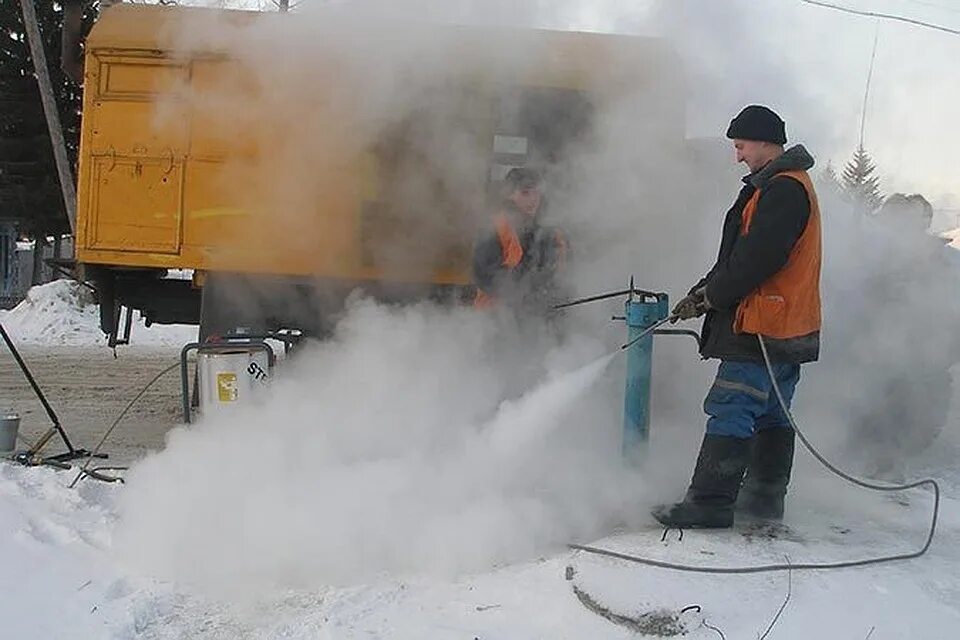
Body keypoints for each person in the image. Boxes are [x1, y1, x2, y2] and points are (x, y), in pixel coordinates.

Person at [653, 105, 822, 529]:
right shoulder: (784, 185)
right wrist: (703, 291)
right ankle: (764, 501)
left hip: (761, 324)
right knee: (772, 412)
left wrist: (714, 295)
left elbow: (755, 260)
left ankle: (710, 502)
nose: (738, 155)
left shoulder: (782, 189)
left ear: (766, 141)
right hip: (787, 323)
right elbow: (740, 255)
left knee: (732, 404)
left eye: (741, 145)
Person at [472, 168, 569, 315]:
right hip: (495, 321)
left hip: (538, 319)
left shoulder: (551, 233)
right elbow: (485, 276)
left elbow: (562, 276)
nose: (533, 199)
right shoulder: (494, 229)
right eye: (525, 193)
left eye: (536, 193)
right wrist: (525, 290)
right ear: (509, 195)